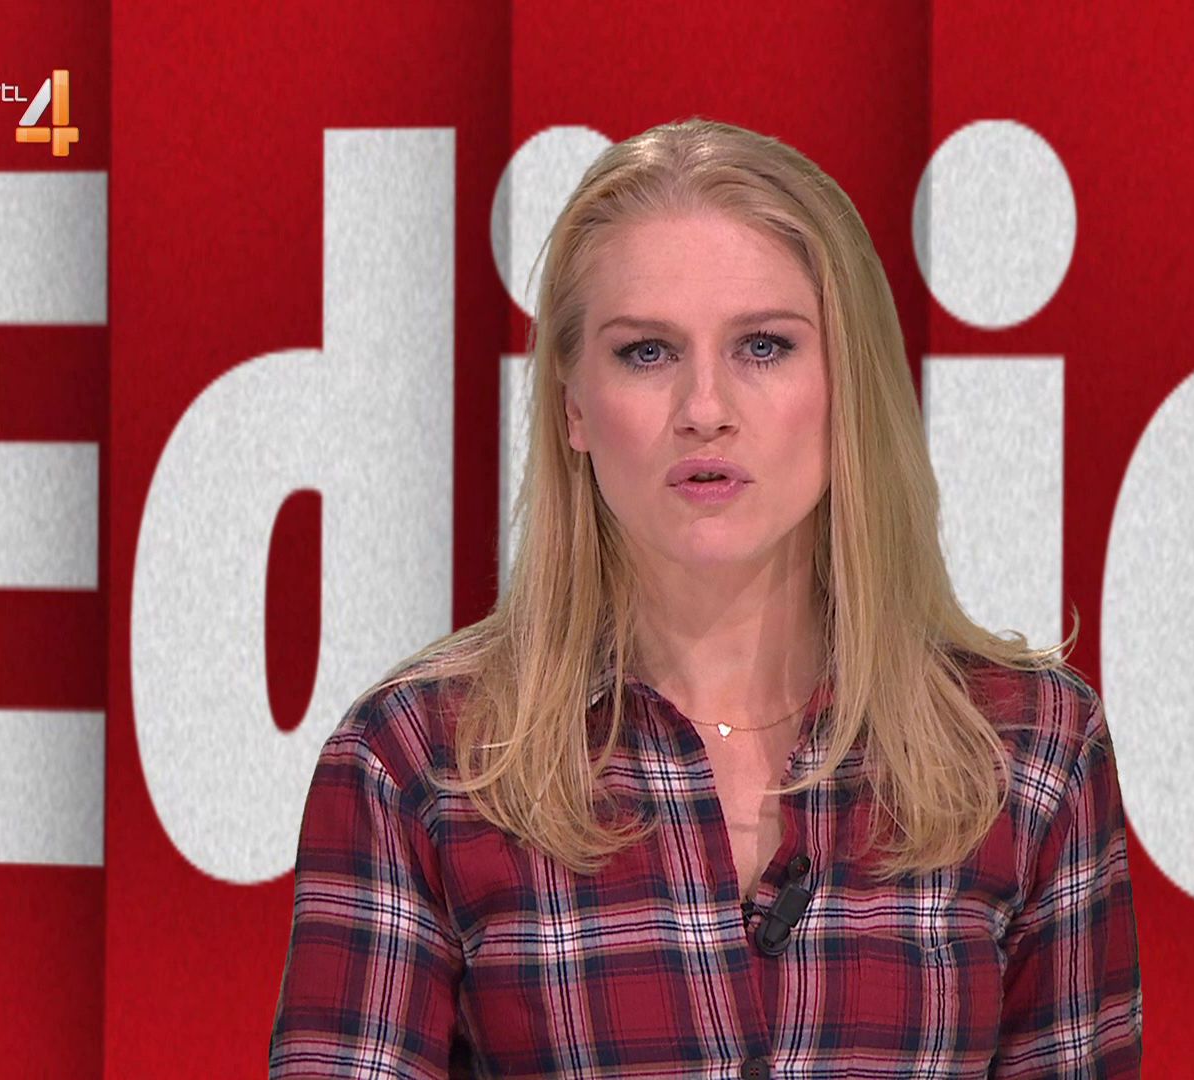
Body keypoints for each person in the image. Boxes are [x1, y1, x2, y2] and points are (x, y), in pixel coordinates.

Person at [267, 116, 1141, 1079]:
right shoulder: (419, 763)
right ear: (573, 405)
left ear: (847, 384)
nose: (705, 409)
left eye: (764, 346)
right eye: (647, 353)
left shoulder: (1030, 750)